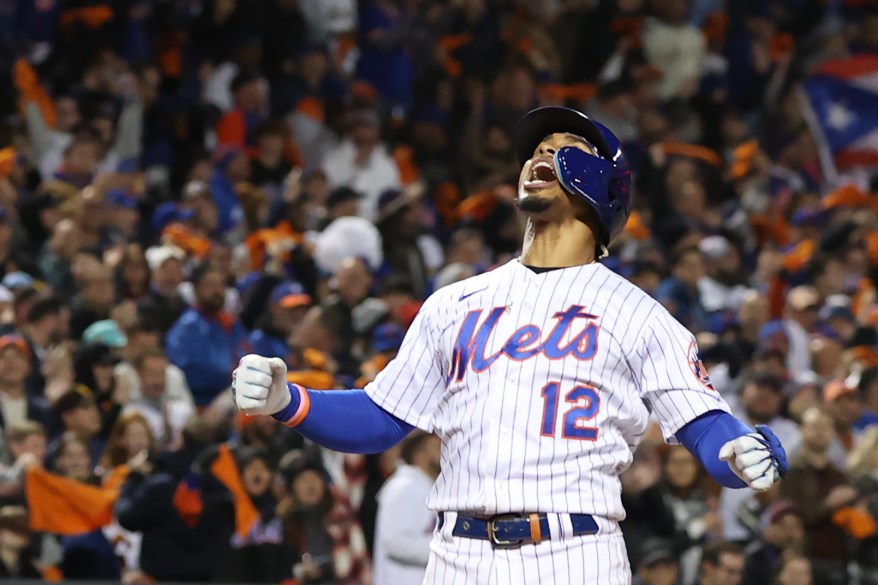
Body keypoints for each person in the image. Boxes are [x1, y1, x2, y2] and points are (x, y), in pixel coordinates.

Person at [232, 107, 788, 583]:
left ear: (606, 186)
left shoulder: (638, 314)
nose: (541, 153)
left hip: (575, 551)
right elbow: (380, 417)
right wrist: (290, 402)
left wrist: (739, 450)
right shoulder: (455, 304)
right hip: (458, 555)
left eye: (565, 148)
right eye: (538, 148)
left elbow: (705, 426)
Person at [373, 431, 440, 585]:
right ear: (418, 452)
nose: (443, 451)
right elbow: (394, 541)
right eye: (436, 446)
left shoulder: (425, 486)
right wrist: (446, 549)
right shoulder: (403, 486)